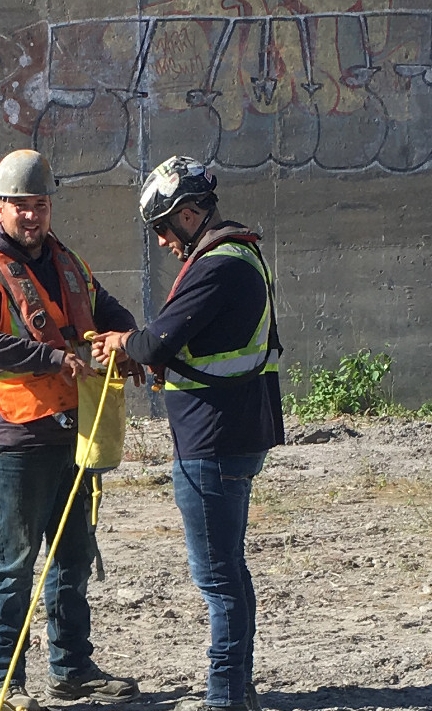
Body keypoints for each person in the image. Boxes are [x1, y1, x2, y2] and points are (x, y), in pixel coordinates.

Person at [0, 150, 141, 711]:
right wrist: (50, 357)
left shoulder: (67, 263)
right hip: (16, 435)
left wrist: (131, 343)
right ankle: (4, 683)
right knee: (14, 560)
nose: (31, 217)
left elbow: (107, 309)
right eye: (21, 207)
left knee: (73, 554)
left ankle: (72, 670)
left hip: (73, 430)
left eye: (40, 206)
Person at [92, 156, 285, 711]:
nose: (161, 242)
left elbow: (155, 342)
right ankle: (238, 689)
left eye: (163, 228)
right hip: (231, 433)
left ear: (191, 211)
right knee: (230, 569)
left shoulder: (219, 264)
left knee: (217, 578)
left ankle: (224, 696)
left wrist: (122, 345)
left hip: (213, 440)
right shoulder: (236, 255)